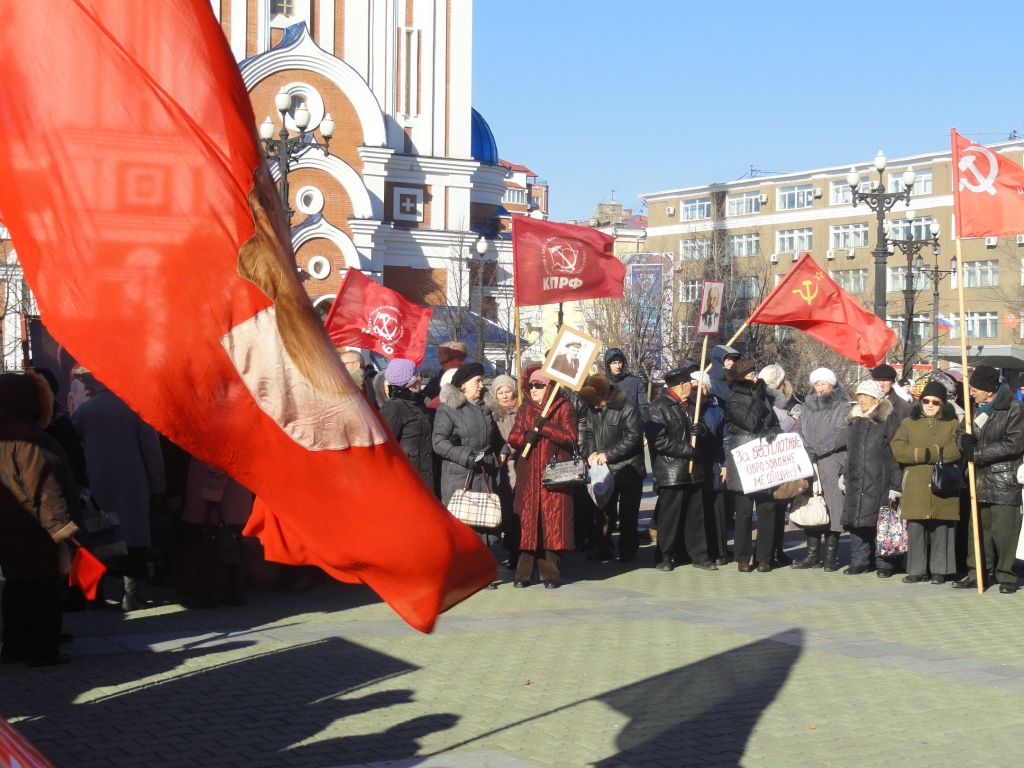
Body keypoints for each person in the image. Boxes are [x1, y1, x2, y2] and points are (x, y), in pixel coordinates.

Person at [0, 371, 81, 665]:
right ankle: (42, 649)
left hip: (9, 528)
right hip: (38, 529)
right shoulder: (30, 438)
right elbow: (44, 488)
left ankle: (14, 647)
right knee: (47, 588)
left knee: (18, 587)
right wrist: (61, 529)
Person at [953, 365, 1024, 593]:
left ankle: (1007, 576)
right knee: (978, 530)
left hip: (1004, 479)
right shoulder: (974, 408)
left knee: (1005, 532)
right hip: (977, 477)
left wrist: (979, 453)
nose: (971, 393)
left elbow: (1014, 444)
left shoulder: (1014, 409)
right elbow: (961, 434)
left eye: (974, 389)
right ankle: (976, 573)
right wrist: (963, 443)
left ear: (990, 390)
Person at [507, 369, 577, 588]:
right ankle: (523, 574)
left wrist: (545, 427)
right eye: (531, 386)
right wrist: (523, 437)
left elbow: (571, 438)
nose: (533, 390)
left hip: (553, 476)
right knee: (527, 524)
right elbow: (513, 437)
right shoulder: (525, 408)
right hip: (528, 477)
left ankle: (550, 575)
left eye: (539, 386)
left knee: (551, 522)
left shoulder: (564, 407)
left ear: (549, 387)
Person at [646, 366, 716, 571]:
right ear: (681, 384)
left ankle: (699, 555)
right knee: (669, 516)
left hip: (693, 471)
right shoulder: (658, 407)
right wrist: (688, 450)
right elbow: (659, 440)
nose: (692, 386)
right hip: (671, 471)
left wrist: (701, 430)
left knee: (696, 516)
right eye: (689, 383)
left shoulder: (691, 406)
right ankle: (664, 556)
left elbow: (703, 429)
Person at [890, 381, 961, 585]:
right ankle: (916, 570)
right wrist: (929, 454)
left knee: (942, 526)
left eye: (935, 402)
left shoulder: (952, 424)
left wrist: (931, 454)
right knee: (916, 527)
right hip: (915, 482)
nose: (930, 405)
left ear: (943, 404)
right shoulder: (908, 423)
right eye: (926, 400)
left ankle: (940, 570)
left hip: (943, 483)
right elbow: (898, 449)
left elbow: (955, 450)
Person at [579, 373, 646, 562]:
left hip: (628, 468)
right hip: (603, 470)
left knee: (628, 514)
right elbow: (588, 432)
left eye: (597, 402)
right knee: (603, 512)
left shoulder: (628, 407)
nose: (595, 407)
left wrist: (608, 455)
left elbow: (633, 437)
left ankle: (627, 551)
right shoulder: (593, 409)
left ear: (605, 394)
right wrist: (589, 452)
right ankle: (603, 549)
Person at [724, 358, 782, 572]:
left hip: (764, 459)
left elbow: (773, 422)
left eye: (755, 373)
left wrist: (774, 430)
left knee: (767, 508)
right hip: (744, 457)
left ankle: (764, 557)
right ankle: (743, 557)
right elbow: (749, 422)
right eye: (750, 375)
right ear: (741, 378)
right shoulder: (733, 399)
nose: (755, 378)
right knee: (744, 511)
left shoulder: (763, 397)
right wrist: (758, 399)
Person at [841, 380, 903, 576]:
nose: (861, 399)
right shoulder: (855, 421)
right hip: (856, 480)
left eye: (865, 396)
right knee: (857, 522)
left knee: (881, 522)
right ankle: (859, 560)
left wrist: (896, 484)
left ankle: (884, 563)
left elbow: (896, 454)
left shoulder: (889, 420)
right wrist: (844, 474)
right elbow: (850, 451)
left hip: (880, 480)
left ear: (876, 399)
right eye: (859, 395)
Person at [792, 368, 851, 572]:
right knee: (811, 506)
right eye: (816, 384)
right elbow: (798, 430)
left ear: (832, 385)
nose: (820, 388)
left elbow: (842, 433)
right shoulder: (808, 407)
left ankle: (831, 556)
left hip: (832, 463)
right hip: (810, 464)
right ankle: (811, 555)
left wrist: (817, 449)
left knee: (832, 509)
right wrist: (803, 447)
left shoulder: (843, 407)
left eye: (823, 384)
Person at [432, 361, 504, 522]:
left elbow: (494, 435)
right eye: (477, 381)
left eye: (482, 380)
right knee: (463, 526)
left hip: (486, 474)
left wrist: (503, 450)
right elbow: (438, 442)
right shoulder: (449, 409)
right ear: (463, 384)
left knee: (485, 523)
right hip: (460, 476)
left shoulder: (484, 407)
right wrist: (467, 456)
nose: (481, 385)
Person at [180, 458, 254, 608]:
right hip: (232, 494)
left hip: (220, 496)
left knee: (210, 545)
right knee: (233, 545)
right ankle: (234, 593)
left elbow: (219, 459)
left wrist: (212, 492)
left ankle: (210, 594)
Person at [691, 369, 730, 565]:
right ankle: (701, 552)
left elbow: (726, 438)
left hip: (715, 465)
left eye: (702, 386)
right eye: (695, 386)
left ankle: (720, 552)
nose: (699, 390)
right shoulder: (687, 409)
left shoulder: (717, 410)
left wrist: (726, 463)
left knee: (717, 511)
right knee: (699, 512)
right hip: (694, 465)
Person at [378, 359, 434, 491]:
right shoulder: (393, 407)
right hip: (406, 480)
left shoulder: (418, 403)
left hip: (425, 478)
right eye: (417, 374)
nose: (420, 377)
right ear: (411, 380)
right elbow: (384, 448)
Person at [491, 374, 521, 569]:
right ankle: (508, 547)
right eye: (500, 392)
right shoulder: (492, 415)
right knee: (505, 511)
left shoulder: (522, 411)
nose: (504, 395)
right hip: (501, 468)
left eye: (507, 391)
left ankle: (516, 551)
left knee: (517, 510)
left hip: (519, 467)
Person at [604, 348, 649, 420]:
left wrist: (637, 424)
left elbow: (643, 407)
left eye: (620, 362)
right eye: (614, 363)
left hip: (630, 425)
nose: (618, 366)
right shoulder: (602, 382)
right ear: (608, 364)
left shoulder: (635, 381)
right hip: (608, 427)